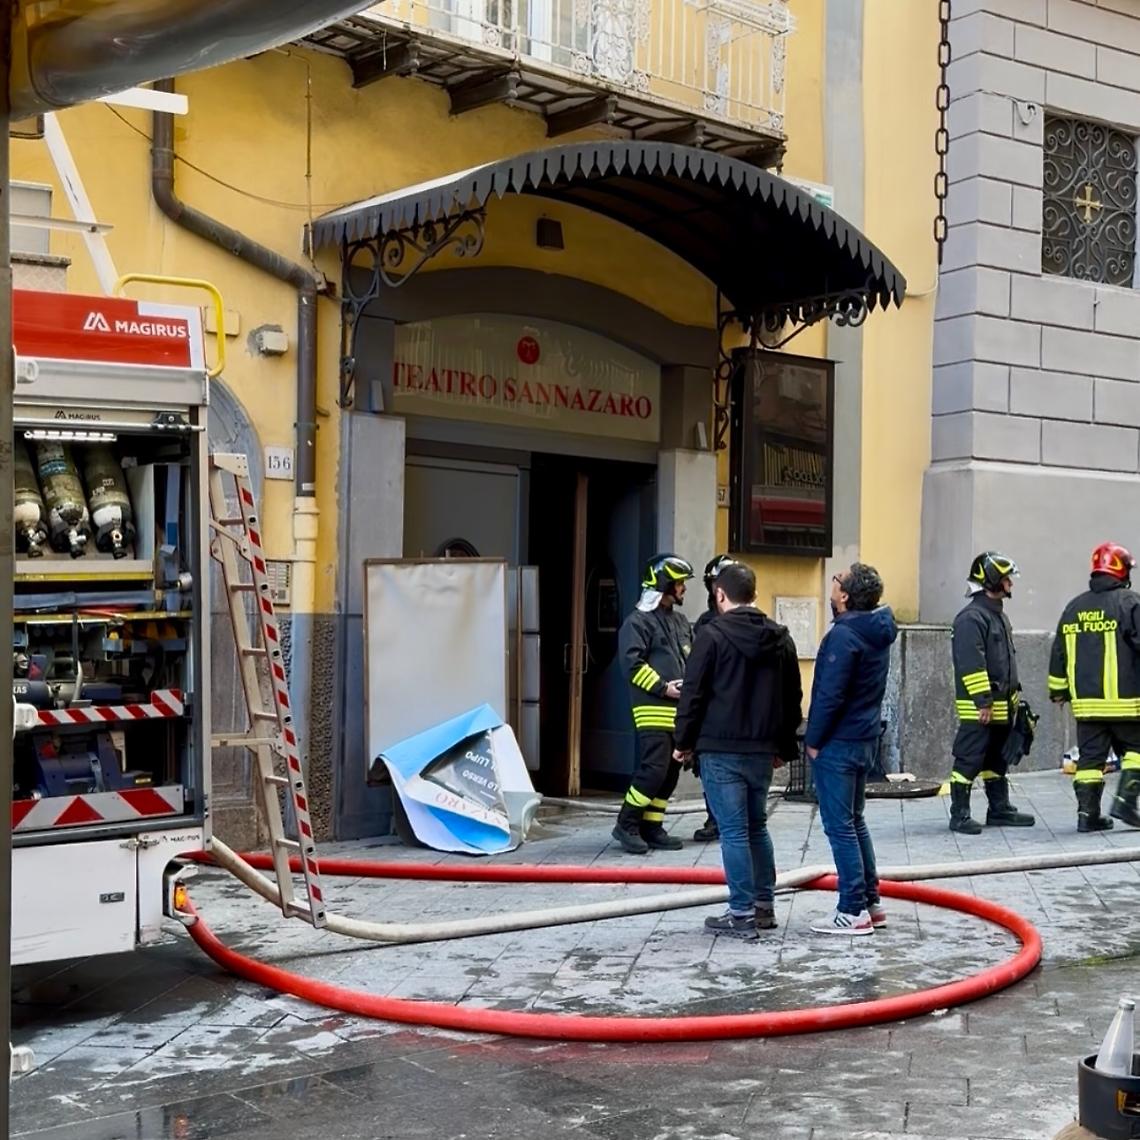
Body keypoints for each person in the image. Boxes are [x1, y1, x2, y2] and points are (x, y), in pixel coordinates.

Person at [673, 563, 801, 940]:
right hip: (762, 749)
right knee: (757, 826)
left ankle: (740, 913)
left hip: (720, 748)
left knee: (732, 831)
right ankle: (764, 907)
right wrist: (783, 744)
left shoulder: (710, 637)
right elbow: (792, 698)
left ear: (720, 595)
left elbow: (693, 694)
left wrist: (682, 742)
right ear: (754, 593)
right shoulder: (781, 639)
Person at [805, 563, 897, 936]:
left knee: (840, 826)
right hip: (863, 737)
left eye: (836, 580)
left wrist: (812, 740)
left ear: (844, 596)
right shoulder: (875, 631)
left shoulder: (844, 636)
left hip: (839, 742)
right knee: (855, 821)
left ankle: (851, 910)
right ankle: (870, 902)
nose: (832, 584)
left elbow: (830, 694)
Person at [1049, 542, 1140, 832]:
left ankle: (1087, 816)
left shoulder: (1074, 607)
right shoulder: (1130, 603)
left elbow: (1059, 652)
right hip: (1127, 702)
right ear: (1122, 570)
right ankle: (1126, 803)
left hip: (1087, 705)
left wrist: (1059, 691)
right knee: (1136, 750)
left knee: (1090, 761)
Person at [947, 552, 1035, 835]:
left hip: (1002, 706)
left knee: (997, 758)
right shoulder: (971, 619)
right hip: (981, 708)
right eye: (1006, 578)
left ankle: (999, 809)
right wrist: (983, 701)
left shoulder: (997, 615)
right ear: (992, 579)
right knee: (969, 759)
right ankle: (959, 814)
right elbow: (971, 664)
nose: (1011, 583)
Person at [612, 553, 695, 855]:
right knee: (654, 770)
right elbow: (631, 665)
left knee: (671, 772)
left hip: (679, 712)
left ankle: (652, 826)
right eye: (679, 583)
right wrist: (663, 688)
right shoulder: (638, 621)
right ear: (664, 584)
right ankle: (627, 823)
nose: (683, 588)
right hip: (652, 708)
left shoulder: (680, 621)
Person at [690, 554, 739, 843]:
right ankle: (715, 817)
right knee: (707, 765)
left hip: (738, 708)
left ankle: (732, 818)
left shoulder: (751, 624)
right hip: (711, 707)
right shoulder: (705, 624)